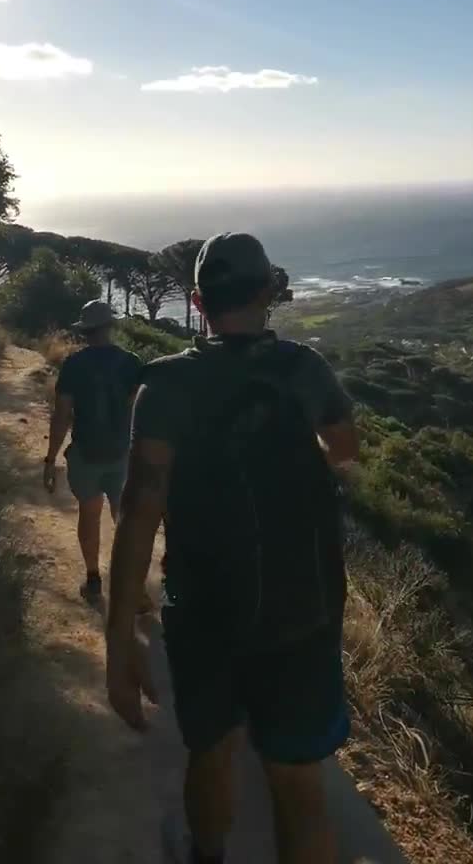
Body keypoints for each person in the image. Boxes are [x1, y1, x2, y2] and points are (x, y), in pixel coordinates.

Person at [106, 233, 359, 864]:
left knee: (211, 748)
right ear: (269, 292)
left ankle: (206, 854)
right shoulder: (305, 370)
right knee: (298, 786)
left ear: (197, 303)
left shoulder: (164, 385)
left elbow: (139, 512)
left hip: (202, 609)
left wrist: (118, 641)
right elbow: (345, 449)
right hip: (302, 606)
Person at [44, 298, 143, 602]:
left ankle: (93, 579)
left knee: (89, 514)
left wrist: (50, 459)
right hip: (122, 454)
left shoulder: (74, 365)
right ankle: (136, 587)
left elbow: (62, 415)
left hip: (86, 454)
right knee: (124, 520)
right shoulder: (131, 362)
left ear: (85, 330)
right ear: (110, 326)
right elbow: (137, 409)